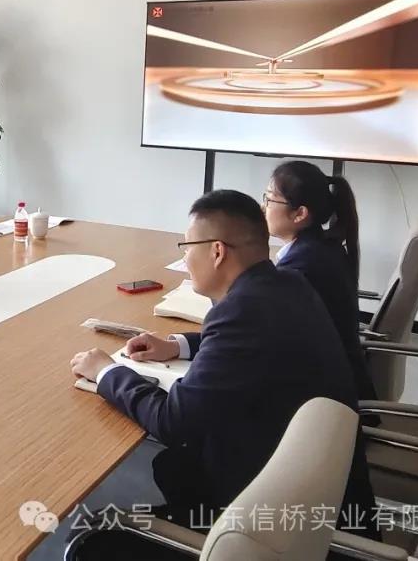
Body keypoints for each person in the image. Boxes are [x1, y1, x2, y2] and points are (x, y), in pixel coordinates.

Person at [69, 190, 377, 551]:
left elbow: (172, 421)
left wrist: (106, 372)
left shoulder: (241, 313)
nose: (185, 257)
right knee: (176, 465)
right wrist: (177, 345)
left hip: (263, 526)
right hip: (315, 488)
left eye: (187, 247)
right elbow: (253, 340)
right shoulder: (287, 284)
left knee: (91, 540)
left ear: (217, 251)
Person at [263, 160, 377, 402]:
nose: (264, 207)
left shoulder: (302, 267)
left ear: (300, 214)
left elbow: (259, 331)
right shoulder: (322, 248)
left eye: (270, 199)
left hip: (322, 401)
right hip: (337, 384)